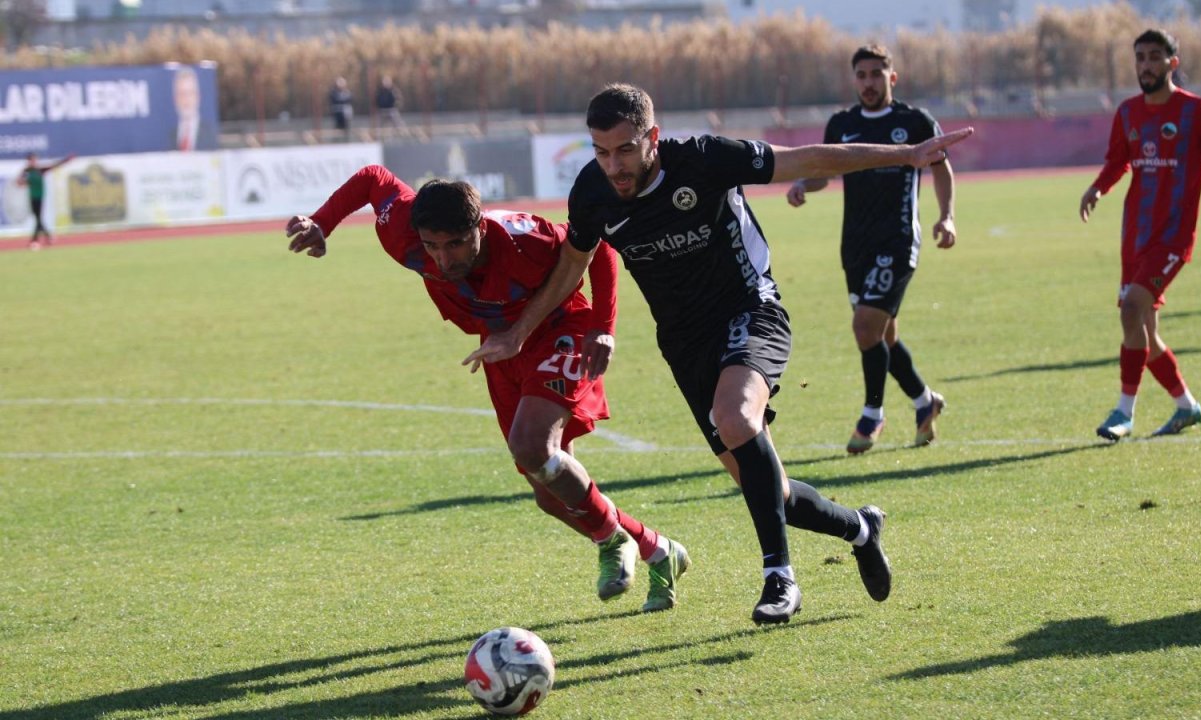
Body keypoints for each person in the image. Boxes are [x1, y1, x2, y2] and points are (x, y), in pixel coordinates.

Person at [464, 82, 972, 624]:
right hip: (684, 342)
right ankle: (861, 528)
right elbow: (572, 265)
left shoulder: (704, 160)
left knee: (735, 417)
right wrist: (520, 331)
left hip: (751, 310)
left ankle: (780, 577)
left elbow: (804, 158)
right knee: (768, 488)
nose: (614, 165)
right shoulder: (592, 192)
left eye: (625, 149)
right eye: (601, 152)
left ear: (652, 138)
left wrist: (909, 155)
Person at [284, 166, 689, 612]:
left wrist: (603, 326)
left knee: (532, 446)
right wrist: (322, 222)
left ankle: (612, 540)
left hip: (561, 329)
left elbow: (598, 245)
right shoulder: (402, 230)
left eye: (456, 243)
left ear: (479, 226)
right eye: (433, 246)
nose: (444, 259)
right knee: (550, 495)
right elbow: (373, 178)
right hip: (500, 348)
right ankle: (656, 549)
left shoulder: (523, 238)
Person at [786, 44, 954, 455]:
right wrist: (803, 185)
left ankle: (872, 413)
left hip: (896, 241)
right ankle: (923, 400)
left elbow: (941, 167)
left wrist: (947, 216)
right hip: (855, 246)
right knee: (883, 334)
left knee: (865, 327)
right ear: (854, 79)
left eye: (877, 74)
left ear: (891, 78)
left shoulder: (913, 122)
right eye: (861, 75)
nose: (869, 82)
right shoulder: (842, 125)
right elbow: (824, 172)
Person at [1079, 29, 1201, 441]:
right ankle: (1187, 406)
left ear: (1173, 61)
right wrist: (1098, 187)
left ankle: (1123, 412)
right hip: (1134, 236)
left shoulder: (1196, 111)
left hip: (1172, 237)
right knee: (1143, 332)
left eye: (1155, 56)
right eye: (1140, 58)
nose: (1146, 65)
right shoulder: (1129, 113)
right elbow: (1118, 162)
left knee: (1131, 310)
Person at [16, 151, 74, 250]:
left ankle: (35, 241)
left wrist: (66, 160)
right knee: (38, 218)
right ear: (28, 161)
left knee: (38, 218)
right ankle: (48, 236)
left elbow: (54, 166)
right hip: (32, 197)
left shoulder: (40, 170)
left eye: (34, 159)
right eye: (31, 160)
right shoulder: (27, 171)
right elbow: (19, 182)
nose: (33, 161)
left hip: (40, 197)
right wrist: (24, 182)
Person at [172, 66, 213, 152]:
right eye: (182, 94)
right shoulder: (171, 136)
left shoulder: (210, 132)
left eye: (190, 93)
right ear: (175, 98)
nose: (186, 100)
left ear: (198, 96)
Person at [329, 76, 354, 141]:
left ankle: (346, 140)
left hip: (345, 113)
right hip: (337, 113)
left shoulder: (347, 92)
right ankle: (337, 141)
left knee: (346, 128)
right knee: (337, 129)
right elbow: (334, 100)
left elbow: (349, 100)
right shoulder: (334, 92)